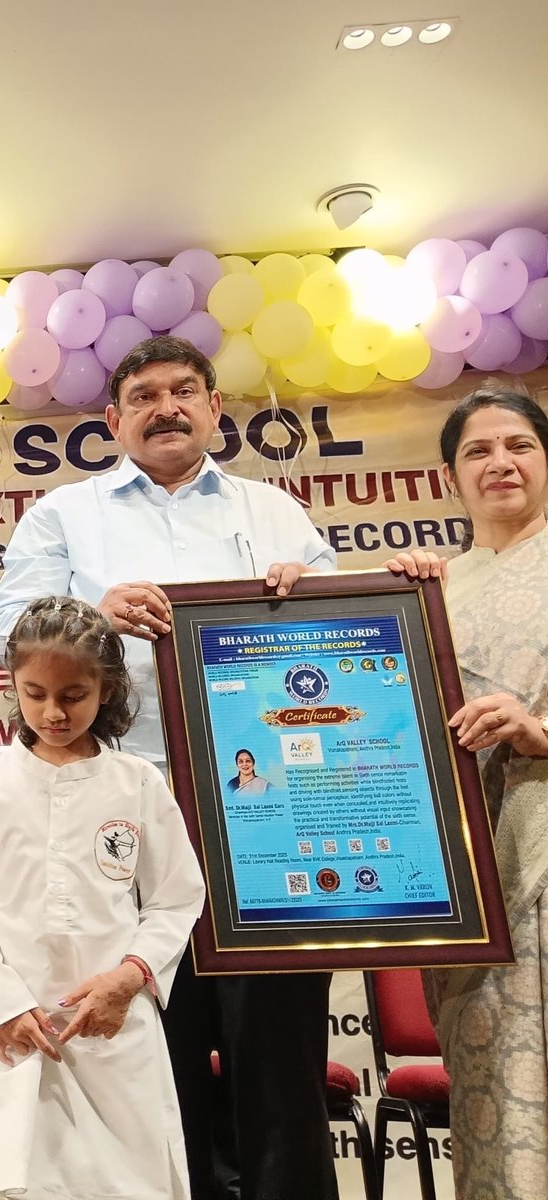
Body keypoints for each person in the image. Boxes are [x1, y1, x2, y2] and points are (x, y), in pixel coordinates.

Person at [0, 335, 339, 1200]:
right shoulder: (64, 516)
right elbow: (7, 632)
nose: (165, 408)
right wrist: (89, 613)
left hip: (268, 814)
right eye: (143, 396)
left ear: (215, 409)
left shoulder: (274, 513)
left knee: (279, 1057)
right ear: (113, 420)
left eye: (184, 391)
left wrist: (308, 595)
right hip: (120, 818)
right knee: (148, 1052)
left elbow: (344, 635)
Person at [0, 596, 205, 1199]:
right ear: (12, 684)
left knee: (122, 1184)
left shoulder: (137, 782)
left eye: (73, 696)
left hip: (111, 1027)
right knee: (8, 1179)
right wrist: (3, 1001)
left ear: (106, 690)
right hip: (10, 1025)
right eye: (35, 694)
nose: (52, 712)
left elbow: (176, 899)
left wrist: (127, 979)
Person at [421, 387, 548, 1197]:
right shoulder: (435, 591)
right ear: (449, 477)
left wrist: (539, 731)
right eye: (478, 450)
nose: (500, 462)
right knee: (498, 1116)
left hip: (544, 849)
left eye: (520, 445)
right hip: (470, 888)